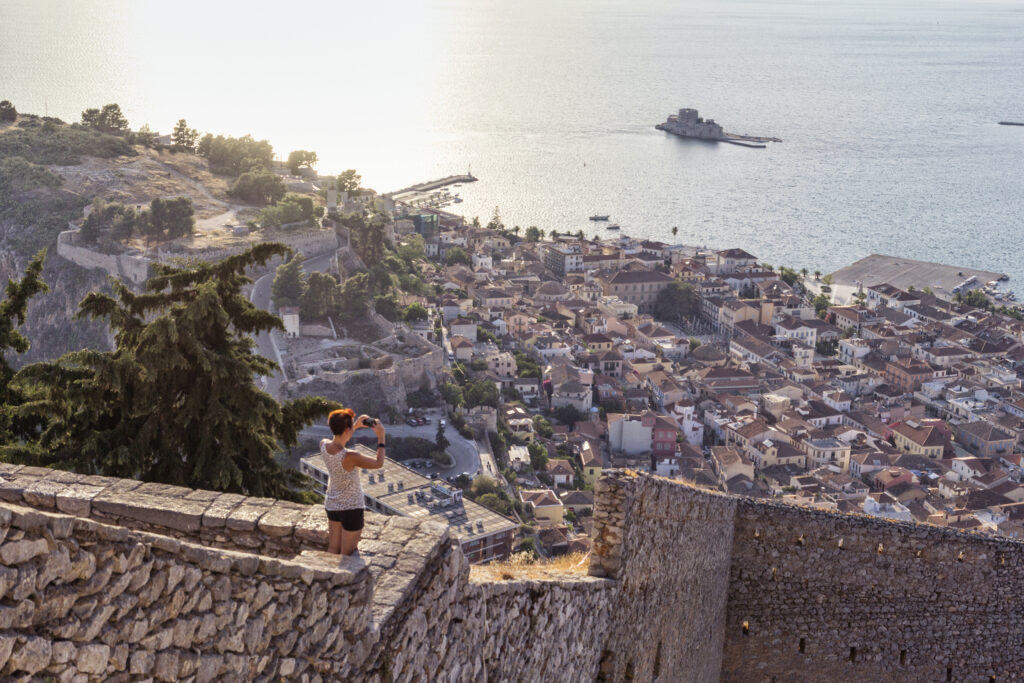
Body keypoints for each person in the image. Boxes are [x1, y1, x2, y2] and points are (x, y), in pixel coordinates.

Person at [321, 408, 386, 556]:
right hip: (351, 508)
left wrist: (354, 426)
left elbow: (339, 437)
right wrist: (381, 437)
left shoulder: (323, 445)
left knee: (333, 550)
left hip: (332, 504)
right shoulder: (350, 457)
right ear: (347, 430)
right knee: (346, 555)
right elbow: (378, 463)